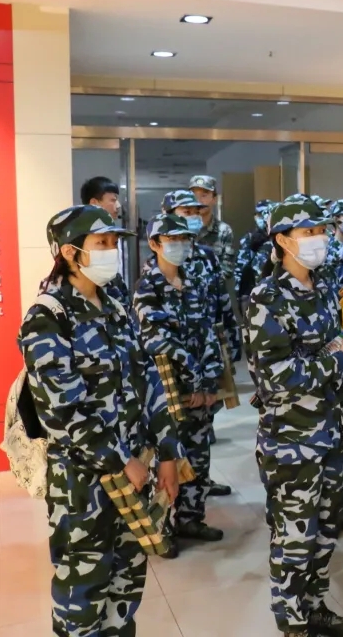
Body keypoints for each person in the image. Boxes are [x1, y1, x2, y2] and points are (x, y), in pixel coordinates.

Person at [19, 205, 184, 637]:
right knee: (83, 589)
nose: (112, 250)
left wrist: (168, 452)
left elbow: (148, 380)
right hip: (84, 483)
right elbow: (61, 412)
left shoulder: (115, 306)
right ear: (70, 252)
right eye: (102, 243)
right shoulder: (48, 316)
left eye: (114, 242)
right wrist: (119, 461)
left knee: (126, 584)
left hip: (134, 471)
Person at [245, 197, 343, 637]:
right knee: (294, 538)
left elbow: (330, 347)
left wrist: (339, 350)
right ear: (283, 240)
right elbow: (278, 377)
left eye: (321, 231)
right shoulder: (267, 298)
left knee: (326, 531)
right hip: (291, 440)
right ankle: (293, 621)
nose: (319, 239)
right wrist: (336, 358)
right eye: (308, 232)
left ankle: (315, 606)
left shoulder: (324, 286)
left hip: (330, 432)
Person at [133, 213, 226, 556]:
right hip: (168, 390)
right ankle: (161, 529)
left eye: (185, 240)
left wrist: (210, 380)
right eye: (172, 240)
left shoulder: (194, 282)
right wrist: (194, 376)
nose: (180, 246)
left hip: (199, 391)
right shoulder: (147, 288)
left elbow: (208, 333)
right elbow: (157, 341)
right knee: (167, 460)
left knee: (198, 456)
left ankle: (191, 518)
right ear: (155, 244)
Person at [161, 189, 238, 498]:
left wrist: (230, 340)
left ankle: (201, 481)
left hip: (208, 350)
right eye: (185, 212)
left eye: (195, 212)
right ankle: (181, 490)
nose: (193, 217)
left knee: (205, 421)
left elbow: (221, 299)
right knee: (178, 428)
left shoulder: (206, 255)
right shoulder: (162, 260)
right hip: (180, 359)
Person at [80, 176, 131, 307]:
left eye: (114, 243)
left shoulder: (114, 234)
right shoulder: (79, 236)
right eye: (113, 200)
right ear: (94, 203)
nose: (118, 205)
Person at [189, 175, 237, 280]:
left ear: (214, 199)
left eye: (204, 195)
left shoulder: (224, 230)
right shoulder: (181, 229)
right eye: (194, 196)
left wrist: (201, 282)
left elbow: (227, 270)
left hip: (212, 287)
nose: (198, 201)